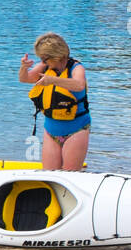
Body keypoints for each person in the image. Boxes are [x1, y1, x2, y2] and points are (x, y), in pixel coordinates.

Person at [19, 33, 90, 171]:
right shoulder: (45, 67)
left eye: (45, 59)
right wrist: (23, 67)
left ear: (56, 56)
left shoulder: (76, 68)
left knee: (70, 177)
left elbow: (79, 85)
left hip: (76, 130)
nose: (43, 62)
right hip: (51, 130)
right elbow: (25, 78)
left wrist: (52, 80)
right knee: (49, 175)